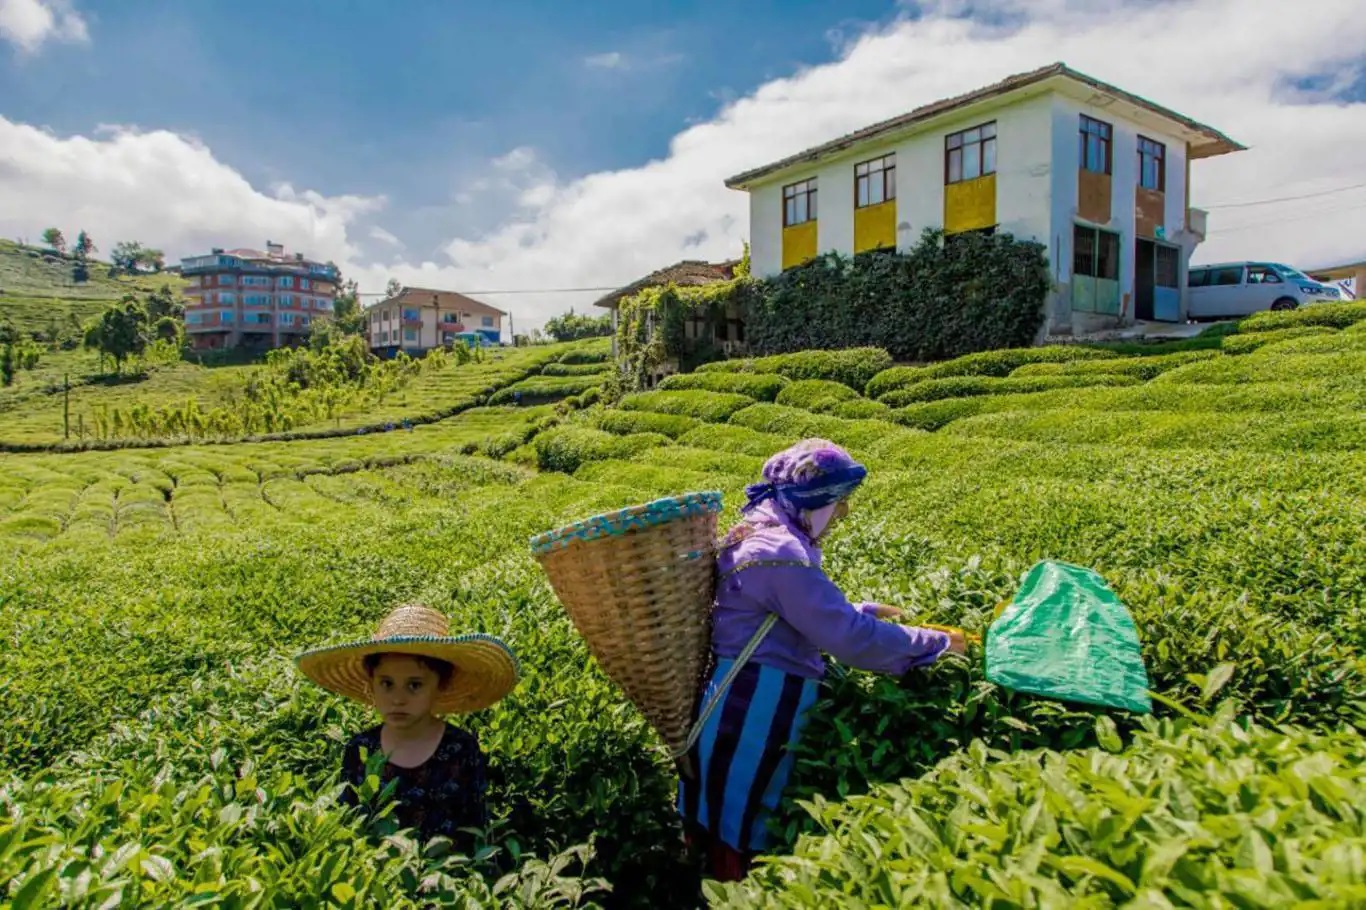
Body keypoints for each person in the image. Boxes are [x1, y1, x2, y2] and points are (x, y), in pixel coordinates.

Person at [677, 439, 967, 881]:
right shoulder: (778, 552)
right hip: (756, 706)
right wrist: (936, 643)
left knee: (722, 821)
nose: (840, 519)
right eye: (838, 505)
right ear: (812, 501)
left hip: (736, 698)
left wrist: (864, 610)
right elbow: (848, 639)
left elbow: (792, 615)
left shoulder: (759, 531)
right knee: (741, 835)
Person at [295, 603, 520, 846]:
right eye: (387, 684)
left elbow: (475, 827)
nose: (398, 699)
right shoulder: (360, 749)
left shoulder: (461, 748)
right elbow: (347, 824)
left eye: (414, 685)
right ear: (371, 685)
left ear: (440, 684)